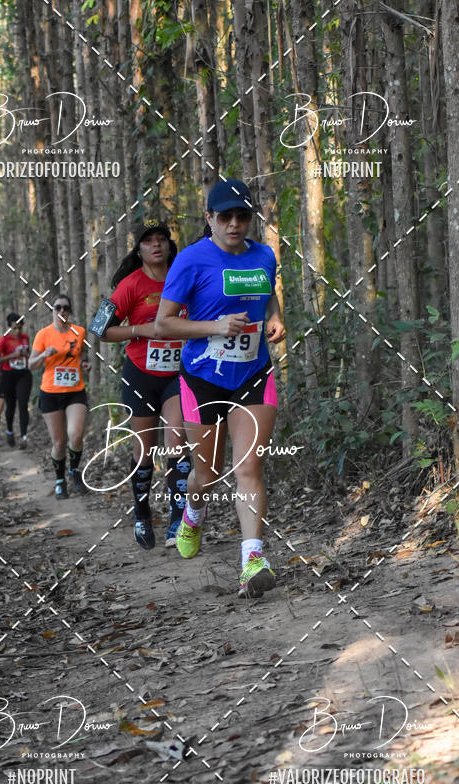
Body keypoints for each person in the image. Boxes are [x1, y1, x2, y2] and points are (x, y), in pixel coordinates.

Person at [156, 178, 286, 598]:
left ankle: (253, 561)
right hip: (202, 379)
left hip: (253, 374)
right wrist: (214, 326)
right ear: (209, 218)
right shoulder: (191, 260)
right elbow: (163, 323)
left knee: (248, 469)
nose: (234, 224)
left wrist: (275, 316)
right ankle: (193, 514)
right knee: (207, 475)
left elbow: (267, 294)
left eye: (242, 216)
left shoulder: (264, 255)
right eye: (225, 216)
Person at [102, 220, 190, 549]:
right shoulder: (130, 285)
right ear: (138, 250)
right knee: (144, 452)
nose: (156, 245)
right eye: (148, 240)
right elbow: (100, 328)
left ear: (169, 244)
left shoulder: (183, 275)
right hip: (140, 374)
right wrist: (139, 330)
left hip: (177, 373)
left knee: (178, 441)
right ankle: (141, 514)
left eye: (161, 239)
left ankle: (178, 521)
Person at [29, 294, 90, 499]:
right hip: (50, 393)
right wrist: (43, 355)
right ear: (53, 310)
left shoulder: (79, 331)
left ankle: (74, 470)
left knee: (76, 435)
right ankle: (59, 480)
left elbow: (78, 355)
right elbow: (31, 364)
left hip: (75, 391)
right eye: (58, 307)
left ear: (70, 311)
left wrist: (84, 364)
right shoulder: (43, 334)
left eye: (65, 307)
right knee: (59, 442)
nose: (62, 311)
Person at [0, 313, 32, 448]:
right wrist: (12, 355)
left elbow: (28, 353)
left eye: (20, 328)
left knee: (23, 404)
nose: (17, 331)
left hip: (24, 374)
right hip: (8, 375)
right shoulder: (3, 340)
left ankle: (24, 437)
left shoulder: (25, 338)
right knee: (11, 406)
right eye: (14, 328)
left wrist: (28, 356)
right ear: (9, 327)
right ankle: (9, 431)